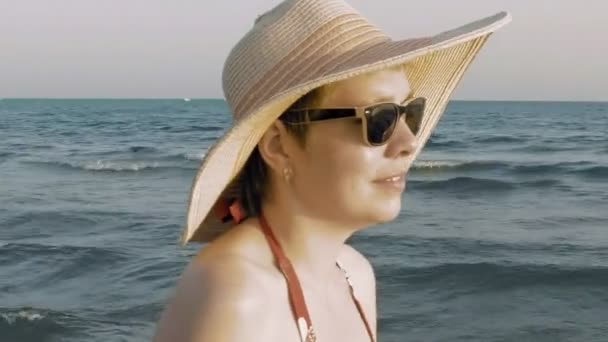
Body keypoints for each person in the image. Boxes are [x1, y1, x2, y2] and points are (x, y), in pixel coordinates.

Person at [153, 0, 511, 341]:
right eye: (379, 118)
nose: (408, 142)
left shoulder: (354, 274)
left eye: (409, 114)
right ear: (278, 146)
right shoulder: (238, 294)